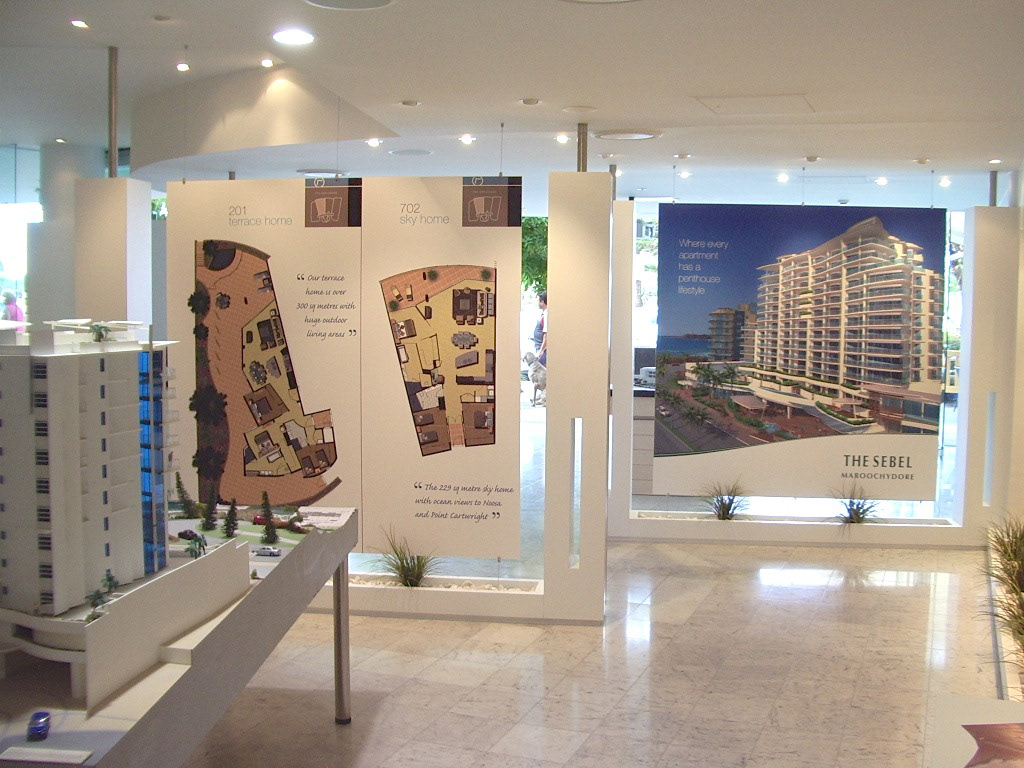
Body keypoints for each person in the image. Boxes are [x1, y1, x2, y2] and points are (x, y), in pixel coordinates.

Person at [532, 291, 547, 366]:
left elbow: (546, 335)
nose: (537, 303)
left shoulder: (547, 314)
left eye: (538, 300)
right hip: (541, 349)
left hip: (543, 351)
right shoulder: (544, 314)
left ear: (542, 302)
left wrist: (540, 351)